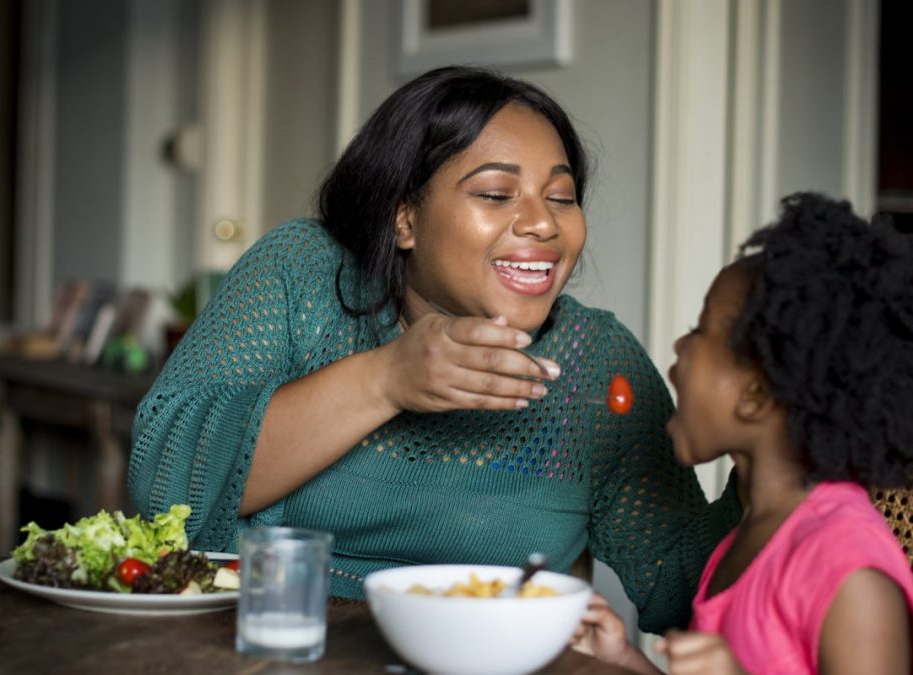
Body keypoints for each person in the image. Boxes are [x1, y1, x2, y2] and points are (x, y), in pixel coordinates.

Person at [127, 65, 743, 632]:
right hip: (273, 645)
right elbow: (163, 485)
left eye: (561, 197)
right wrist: (386, 379)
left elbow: (690, 587)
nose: (543, 224)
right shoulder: (305, 276)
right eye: (497, 195)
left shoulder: (594, 363)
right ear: (404, 219)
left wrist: (777, 456)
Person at [574, 192, 913, 673]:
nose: (679, 346)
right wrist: (623, 659)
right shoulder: (747, 538)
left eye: (700, 330)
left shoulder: (846, 566)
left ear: (755, 394)